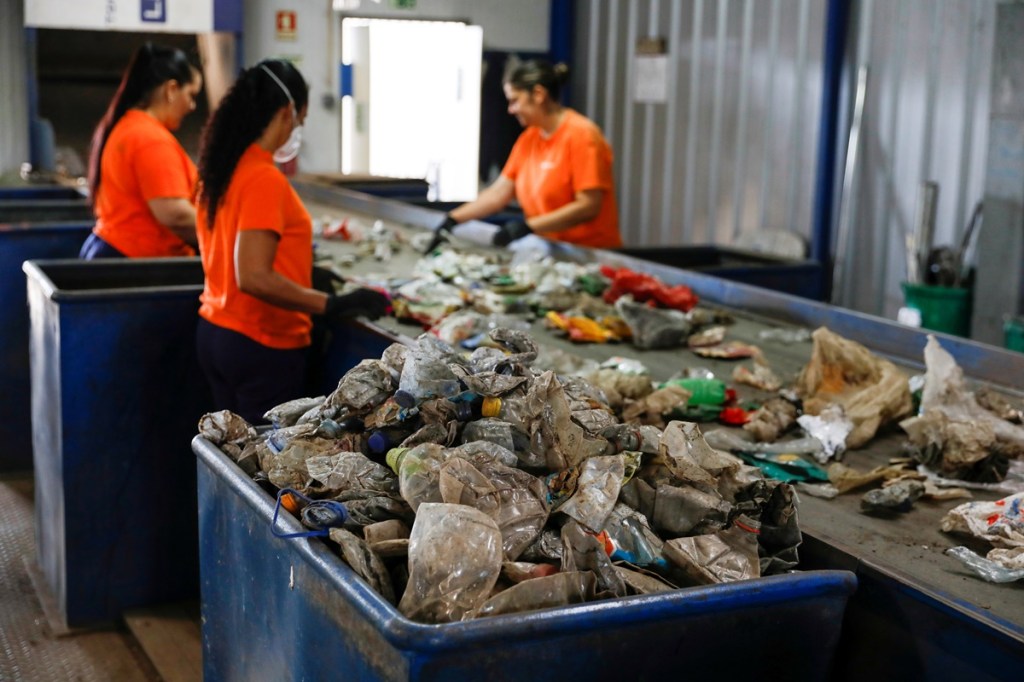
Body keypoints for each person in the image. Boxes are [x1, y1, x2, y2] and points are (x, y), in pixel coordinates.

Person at [194, 59, 390, 424]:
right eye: (300, 121)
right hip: (260, 344)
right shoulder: (263, 178)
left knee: (231, 455)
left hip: (217, 332)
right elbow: (252, 275)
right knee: (264, 467)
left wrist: (304, 271)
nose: (297, 130)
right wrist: (331, 303)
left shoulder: (222, 169)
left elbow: (231, 249)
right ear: (287, 111)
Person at [435, 58, 622, 250]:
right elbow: (498, 194)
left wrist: (527, 227)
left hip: (589, 254)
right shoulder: (529, 138)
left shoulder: (582, 136)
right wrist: (452, 219)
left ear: (538, 94)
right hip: (552, 249)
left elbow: (588, 206)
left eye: (515, 101)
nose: (510, 110)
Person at [81, 42, 203, 259]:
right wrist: (224, 233)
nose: (192, 106)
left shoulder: (128, 127)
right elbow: (175, 214)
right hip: (134, 261)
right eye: (191, 95)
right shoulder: (150, 139)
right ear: (172, 89)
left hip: (113, 250)